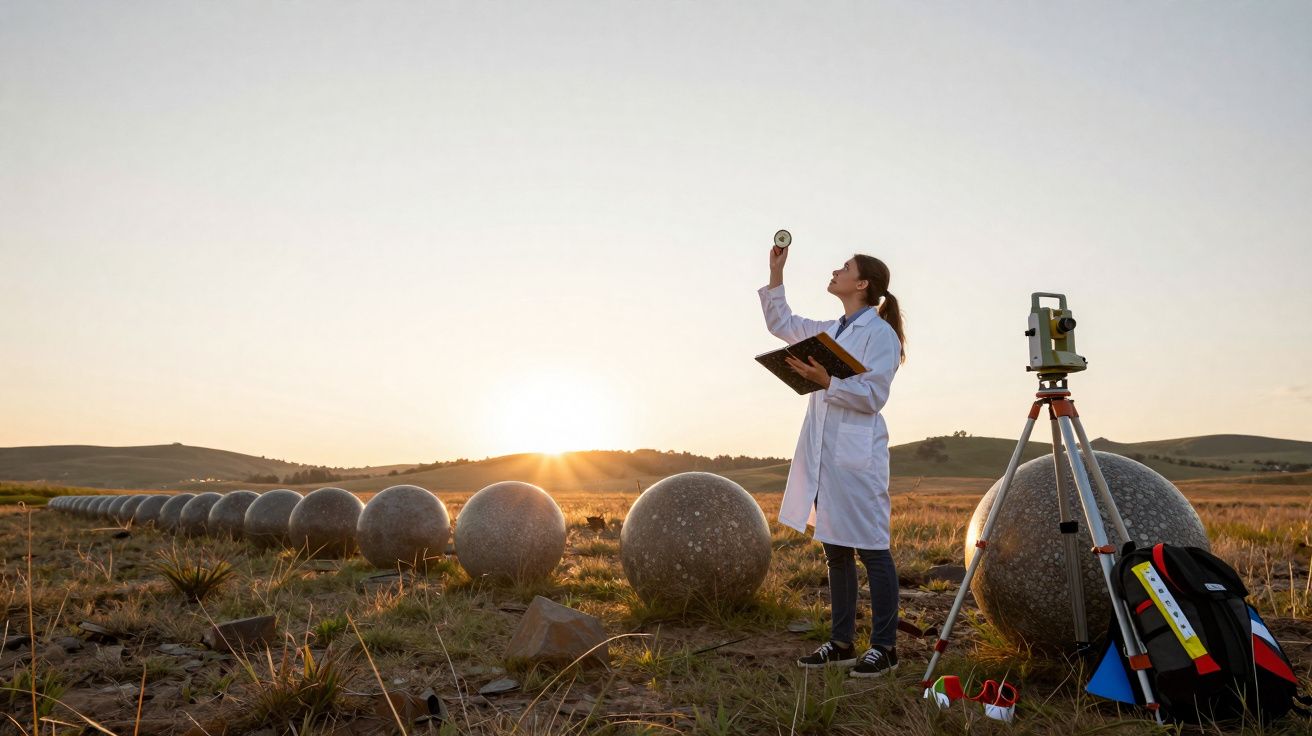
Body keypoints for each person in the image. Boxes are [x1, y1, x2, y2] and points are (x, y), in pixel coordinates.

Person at [758, 243, 906, 678]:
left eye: (845, 268)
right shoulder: (831, 332)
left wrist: (827, 380)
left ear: (862, 284)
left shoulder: (881, 335)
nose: (836, 271)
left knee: (873, 550)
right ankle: (841, 643)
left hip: (856, 457)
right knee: (836, 549)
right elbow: (782, 323)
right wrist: (776, 272)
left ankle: (885, 647)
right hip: (823, 454)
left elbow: (874, 395)